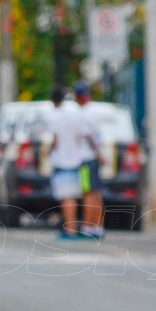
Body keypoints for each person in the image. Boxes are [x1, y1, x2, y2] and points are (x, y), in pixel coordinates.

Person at [47, 87, 88, 239]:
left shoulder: (56, 115)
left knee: (65, 197)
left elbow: (55, 139)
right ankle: (73, 227)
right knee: (74, 196)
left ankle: (70, 229)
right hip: (76, 160)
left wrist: (49, 151)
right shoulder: (77, 112)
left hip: (62, 160)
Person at [74, 83, 105, 239]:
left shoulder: (83, 114)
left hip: (86, 158)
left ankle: (87, 226)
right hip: (93, 158)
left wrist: (98, 153)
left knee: (87, 193)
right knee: (96, 192)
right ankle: (98, 225)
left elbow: (88, 135)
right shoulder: (94, 112)